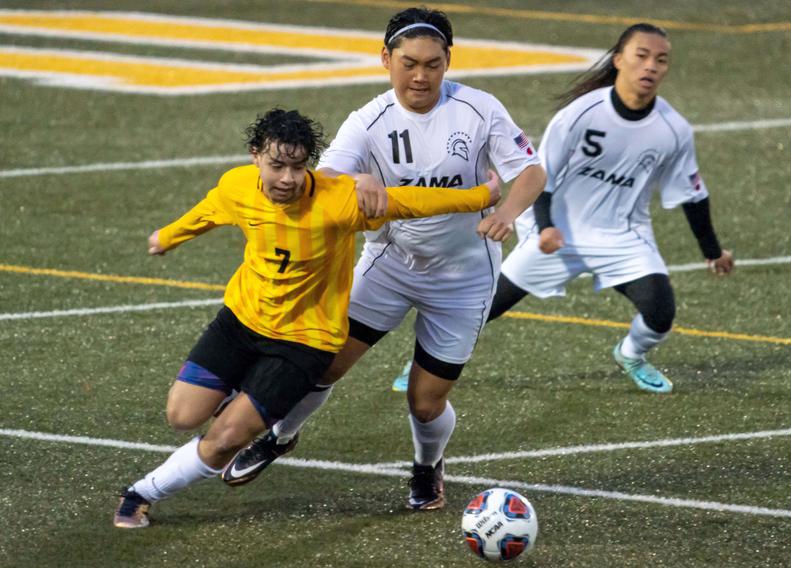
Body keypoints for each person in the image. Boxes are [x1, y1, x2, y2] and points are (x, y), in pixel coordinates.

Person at [221, 7, 546, 511]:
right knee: (324, 363)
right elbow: (321, 181)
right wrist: (357, 180)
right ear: (385, 59)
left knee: (425, 398)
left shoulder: (480, 111)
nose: (420, 75)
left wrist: (506, 212)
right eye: (409, 62)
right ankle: (281, 435)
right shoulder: (368, 120)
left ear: (448, 61)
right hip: (390, 264)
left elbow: (530, 172)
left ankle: (426, 467)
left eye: (433, 64)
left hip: (462, 277)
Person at [112, 107, 502, 528]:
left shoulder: (339, 201)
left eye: (298, 167)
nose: (287, 178)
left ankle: (141, 493)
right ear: (255, 156)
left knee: (225, 439)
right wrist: (168, 237)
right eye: (277, 165)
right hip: (240, 322)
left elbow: (413, 202)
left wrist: (482, 196)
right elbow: (209, 211)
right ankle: (248, 402)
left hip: (304, 342)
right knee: (181, 416)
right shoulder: (237, 186)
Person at [488, 22, 734, 394]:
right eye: (642, 56)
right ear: (619, 60)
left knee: (660, 313)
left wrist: (712, 252)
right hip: (557, 232)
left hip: (621, 236)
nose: (651, 66)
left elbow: (693, 194)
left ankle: (631, 354)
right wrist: (546, 228)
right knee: (481, 309)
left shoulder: (673, 129)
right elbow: (541, 176)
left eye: (661, 60)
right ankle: (429, 363)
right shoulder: (580, 114)